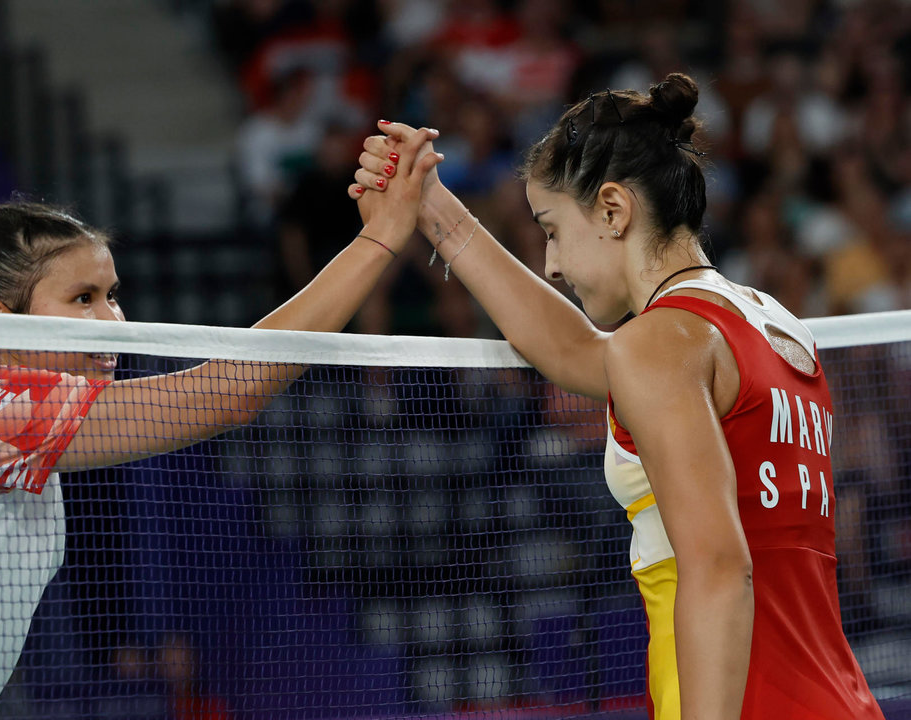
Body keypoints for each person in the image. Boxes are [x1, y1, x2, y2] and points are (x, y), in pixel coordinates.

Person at [0, 127, 439, 719]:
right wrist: (381, 237)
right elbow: (227, 394)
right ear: (0, 321)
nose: (113, 323)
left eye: (112, 295)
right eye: (82, 299)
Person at [349, 73, 885, 719]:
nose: (550, 262)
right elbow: (577, 353)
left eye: (550, 229)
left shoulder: (660, 345)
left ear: (612, 209)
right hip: (836, 699)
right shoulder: (763, 321)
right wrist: (430, 205)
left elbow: (716, 569)